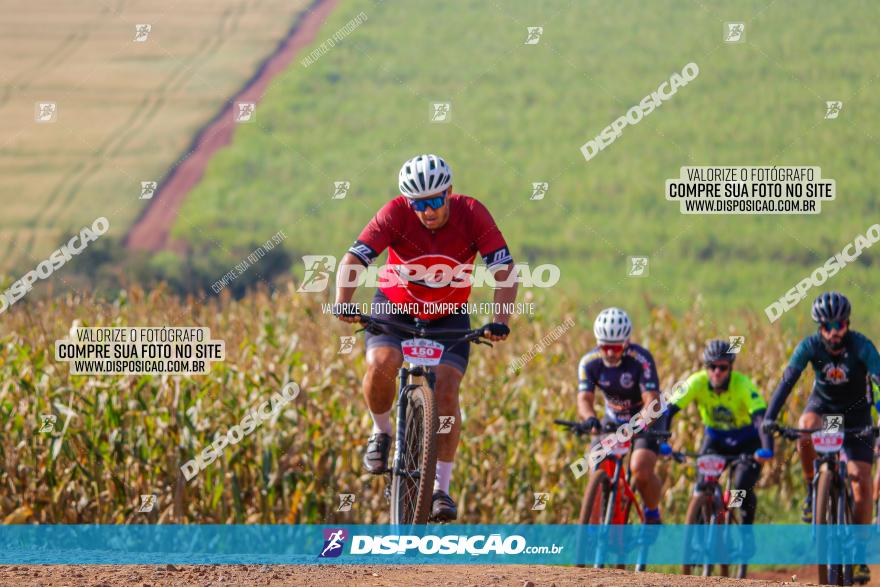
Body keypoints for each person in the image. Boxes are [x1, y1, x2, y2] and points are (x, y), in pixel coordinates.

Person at [333, 154, 517, 521]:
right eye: (419, 204)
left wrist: (500, 320)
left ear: (449, 192)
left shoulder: (472, 213)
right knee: (382, 363)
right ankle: (381, 431)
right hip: (395, 304)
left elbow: (505, 271)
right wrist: (343, 302)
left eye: (435, 201)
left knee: (447, 389)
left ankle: (440, 489)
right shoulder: (394, 213)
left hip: (448, 313)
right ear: (407, 201)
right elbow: (354, 258)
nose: (427, 211)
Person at [763, 292, 879, 582]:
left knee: (862, 484)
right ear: (819, 327)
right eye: (826, 326)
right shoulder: (810, 346)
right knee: (805, 425)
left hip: (856, 416)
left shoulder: (862, 346)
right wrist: (769, 417)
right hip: (823, 409)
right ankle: (811, 487)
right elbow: (787, 380)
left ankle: (859, 552)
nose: (833, 332)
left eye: (839, 325)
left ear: (847, 324)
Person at [666, 339, 773, 529]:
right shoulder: (696, 382)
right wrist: (662, 440)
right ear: (706, 367)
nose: (717, 372)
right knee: (701, 483)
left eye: (722, 367)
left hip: (747, 440)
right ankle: (697, 537)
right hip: (715, 439)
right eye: (712, 366)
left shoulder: (743, 385)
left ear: (730, 368)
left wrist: (766, 447)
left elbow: (760, 419)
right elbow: (668, 410)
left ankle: (746, 530)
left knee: (741, 485)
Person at [577, 307, 667, 523]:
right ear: (598, 343)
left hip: (646, 415)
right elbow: (585, 399)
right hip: (614, 417)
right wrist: (590, 418)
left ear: (626, 342)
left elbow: (651, 401)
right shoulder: (589, 363)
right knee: (597, 463)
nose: (610, 353)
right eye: (605, 346)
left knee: (640, 469)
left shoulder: (641, 359)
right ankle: (595, 530)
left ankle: (653, 512)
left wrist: (637, 426)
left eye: (616, 347)